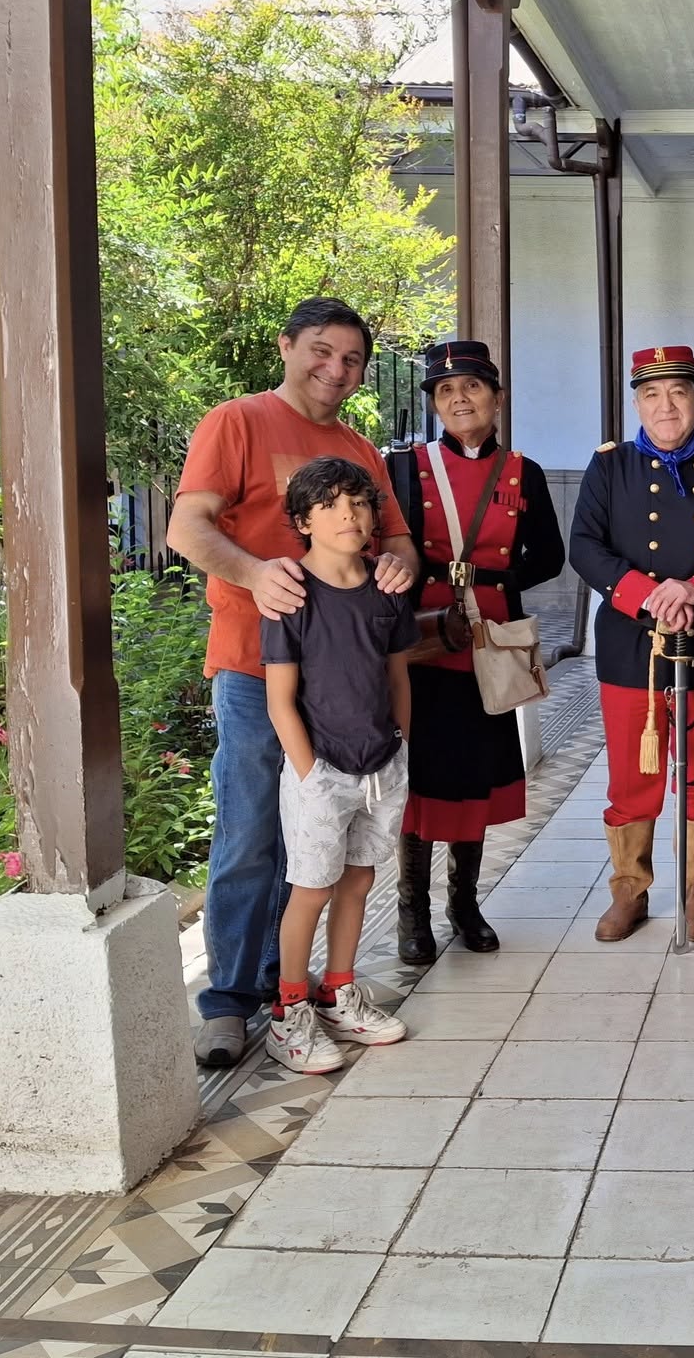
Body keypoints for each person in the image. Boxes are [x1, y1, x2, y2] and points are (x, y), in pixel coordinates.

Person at [167, 298, 417, 1068]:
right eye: (321, 351)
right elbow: (187, 527)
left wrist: (401, 561)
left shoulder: (357, 448)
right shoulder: (236, 422)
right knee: (251, 835)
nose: (334, 370)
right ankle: (231, 1001)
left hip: (345, 680)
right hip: (255, 668)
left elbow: (397, 536)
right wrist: (253, 573)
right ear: (287, 347)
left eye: (350, 360)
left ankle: (300, 990)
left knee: (330, 847)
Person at [569, 346, 694, 944]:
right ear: (637, 402)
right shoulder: (610, 467)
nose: (666, 406)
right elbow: (584, 545)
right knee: (633, 778)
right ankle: (629, 891)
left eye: (678, 393)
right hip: (632, 646)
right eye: (652, 394)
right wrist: (645, 594)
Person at [385, 340, 566, 964]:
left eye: (471, 387)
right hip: (424, 641)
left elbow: (549, 556)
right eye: (445, 390)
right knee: (422, 776)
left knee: (476, 776)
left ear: (496, 397)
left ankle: (465, 903)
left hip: (488, 641)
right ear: (435, 403)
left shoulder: (524, 471)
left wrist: (494, 583)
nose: (459, 399)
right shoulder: (406, 467)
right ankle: (412, 912)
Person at [259, 457, 414, 1074]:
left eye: (358, 503)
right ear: (302, 520)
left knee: (358, 880)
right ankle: (288, 1011)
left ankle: (337, 992)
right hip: (320, 773)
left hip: (383, 764)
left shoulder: (387, 585)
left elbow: (397, 675)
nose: (347, 515)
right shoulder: (291, 595)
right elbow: (279, 700)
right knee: (312, 888)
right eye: (328, 506)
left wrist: (401, 743)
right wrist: (309, 772)